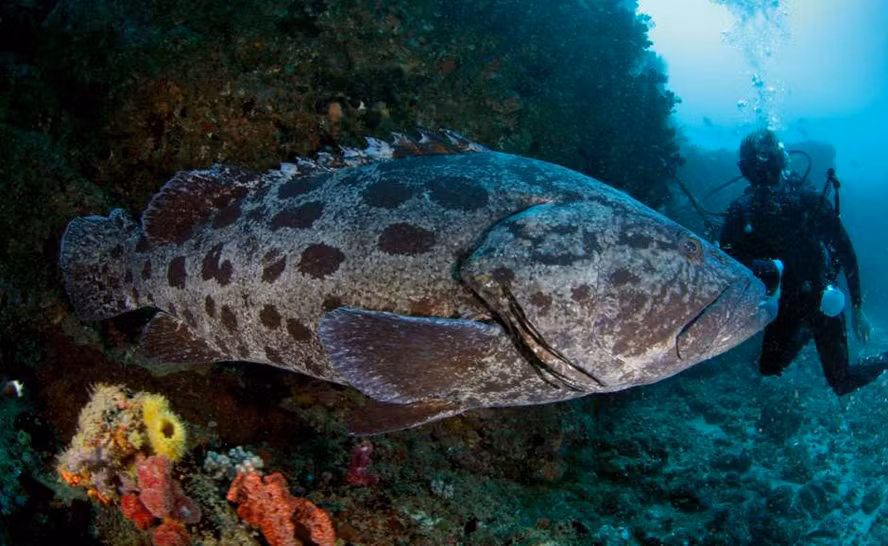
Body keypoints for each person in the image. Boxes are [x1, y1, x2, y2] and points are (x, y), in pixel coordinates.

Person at [719, 128, 888, 395]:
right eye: (755, 165)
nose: (762, 172)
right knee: (769, 367)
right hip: (782, 303)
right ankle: (807, 329)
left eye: (765, 163)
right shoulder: (741, 210)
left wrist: (857, 306)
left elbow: (843, 248)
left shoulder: (806, 200)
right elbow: (727, 260)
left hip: (820, 299)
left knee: (841, 381)